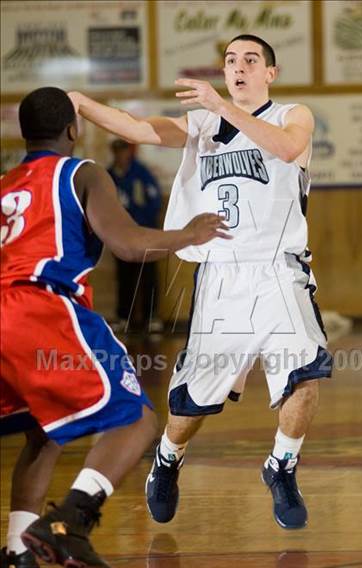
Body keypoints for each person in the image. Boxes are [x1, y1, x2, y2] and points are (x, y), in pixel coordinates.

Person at [68, 34, 333, 532]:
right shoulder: (201, 125)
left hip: (280, 269)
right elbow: (137, 128)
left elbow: (288, 147)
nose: (238, 67)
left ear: (269, 73)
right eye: (231, 60)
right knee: (190, 405)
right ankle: (168, 458)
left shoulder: (293, 115)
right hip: (221, 277)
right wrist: (82, 102)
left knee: (307, 373)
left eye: (250, 60)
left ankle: (282, 464)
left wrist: (219, 106)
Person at [0, 87, 229, 567]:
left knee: (45, 431)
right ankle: (69, 522)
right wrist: (189, 233)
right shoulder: (81, 171)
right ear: (73, 130)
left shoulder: (6, 183)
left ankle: (17, 550)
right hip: (40, 307)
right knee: (136, 420)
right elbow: (127, 243)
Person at [108, 139, 162, 332]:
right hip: (122, 236)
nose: (121, 156)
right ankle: (124, 317)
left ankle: (151, 317)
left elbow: (154, 201)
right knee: (125, 276)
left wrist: (141, 221)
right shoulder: (110, 175)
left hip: (145, 233)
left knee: (148, 276)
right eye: (117, 152)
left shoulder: (141, 173)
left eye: (123, 151)